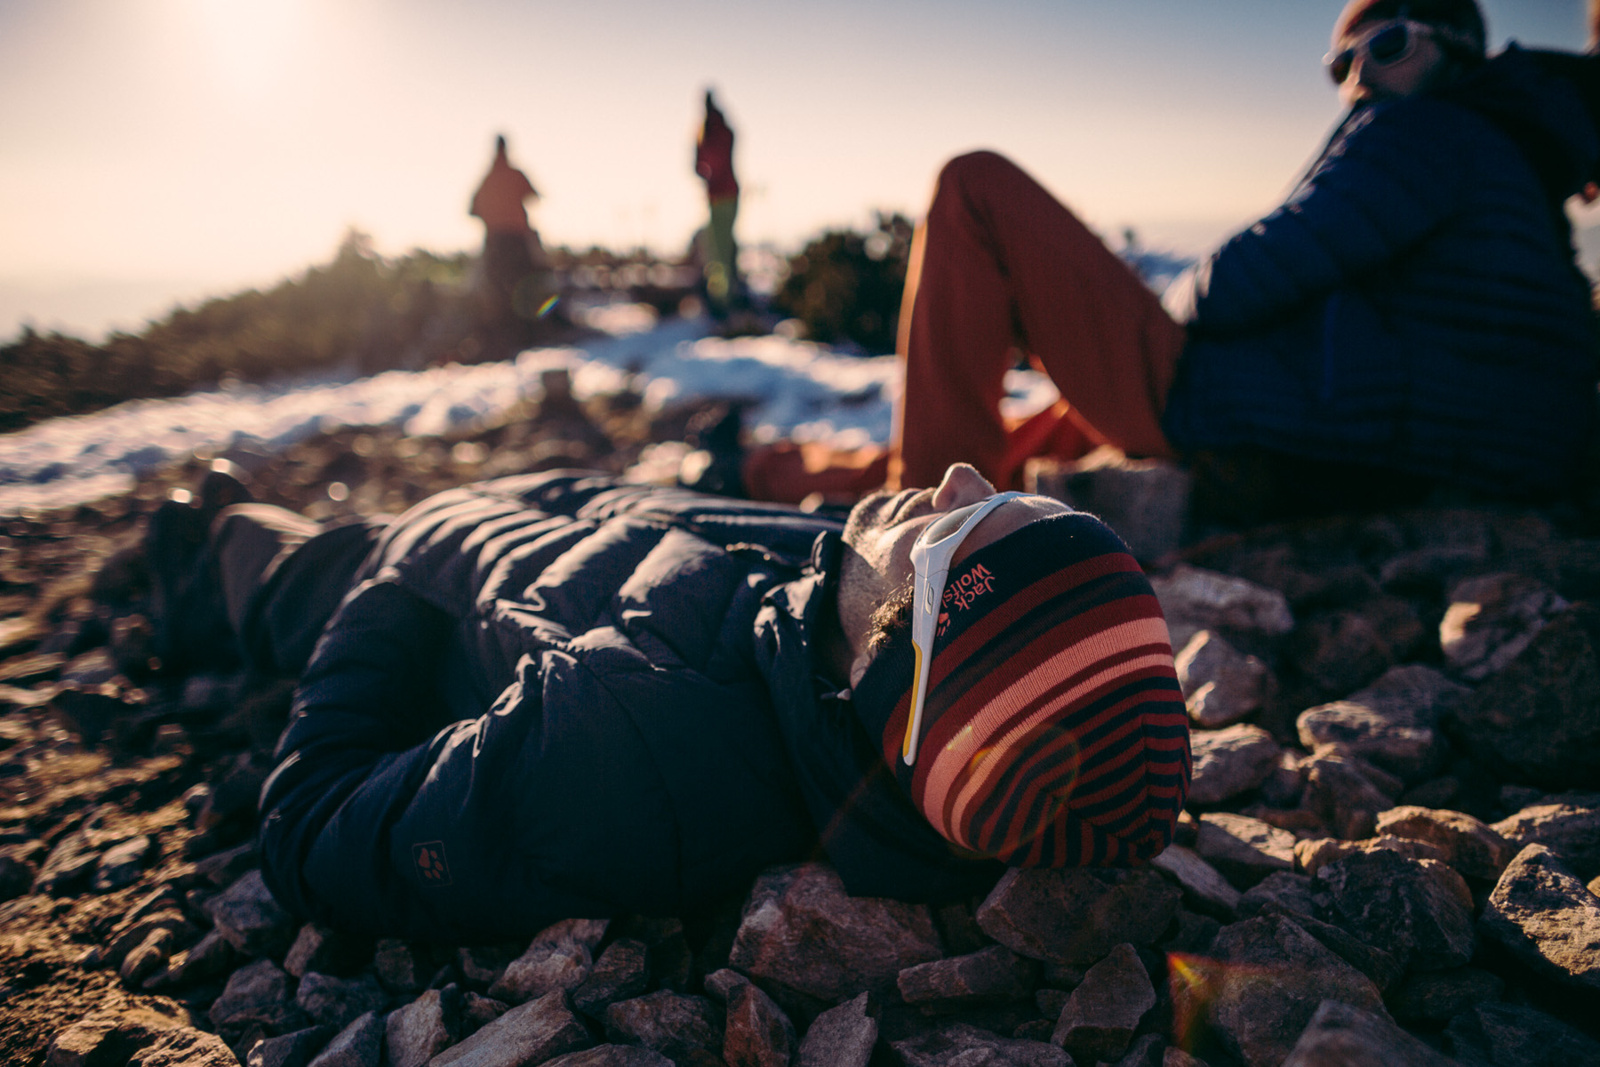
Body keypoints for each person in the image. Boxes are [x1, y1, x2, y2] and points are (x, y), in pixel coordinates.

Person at [146, 464, 1188, 942]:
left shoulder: (628, 759)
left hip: (388, 582)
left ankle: (187, 562)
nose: (958, 476)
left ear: (888, 665)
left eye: (960, 527)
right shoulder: (847, 593)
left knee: (243, 540)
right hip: (526, 509)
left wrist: (387, 589)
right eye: (1014, 500)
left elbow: (311, 826)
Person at [747, 0, 1600, 516]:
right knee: (1057, 425)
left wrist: (1155, 309)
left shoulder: (1425, 131)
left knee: (974, 188)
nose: (1359, 82)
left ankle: (929, 532)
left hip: (1311, 441)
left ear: (1457, 49)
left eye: (1386, 46)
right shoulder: (1516, 169)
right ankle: (787, 468)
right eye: (1341, 65)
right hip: (1368, 443)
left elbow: (1238, 282)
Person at [469, 134, 554, 346]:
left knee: (495, 288)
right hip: (516, 240)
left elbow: (472, 209)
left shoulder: (487, 178)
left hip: (495, 242)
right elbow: (534, 196)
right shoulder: (514, 175)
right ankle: (530, 331)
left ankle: (503, 331)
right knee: (527, 282)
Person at [695, 90, 743, 316]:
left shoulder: (706, 132)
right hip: (729, 193)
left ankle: (722, 300)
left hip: (719, 195)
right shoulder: (723, 129)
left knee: (718, 249)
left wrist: (709, 176)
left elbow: (698, 166)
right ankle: (725, 296)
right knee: (723, 247)